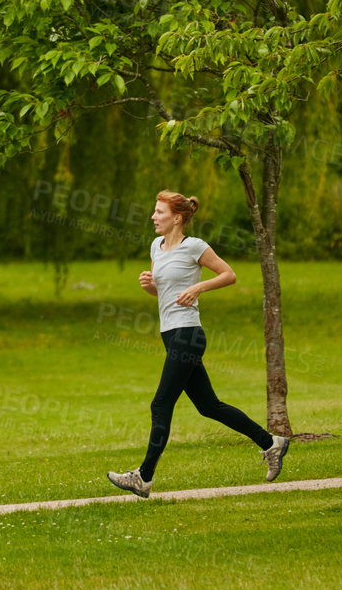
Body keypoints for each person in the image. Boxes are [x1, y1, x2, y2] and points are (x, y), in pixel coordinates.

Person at [107, 190, 290, 497]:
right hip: (171, 334)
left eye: (159, 212)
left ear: (177, 218)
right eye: (154, 211)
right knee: (209, 406)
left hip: (187, 335)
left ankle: (144, 477)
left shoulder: (195, 247)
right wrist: (151, 287)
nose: (153, 216)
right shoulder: (156, 246)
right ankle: (271, 442)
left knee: (161, 403)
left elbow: (228, 275)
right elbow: (164, 294)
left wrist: (199, 287)